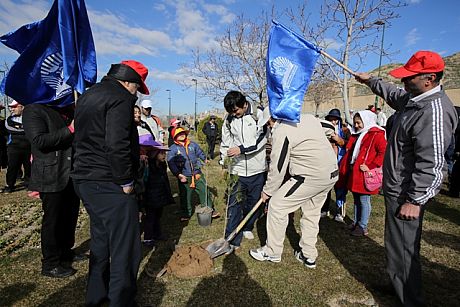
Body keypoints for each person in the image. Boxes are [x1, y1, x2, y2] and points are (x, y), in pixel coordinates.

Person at [355, 50, 458, 306]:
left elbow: (432, 164)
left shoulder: (432, 112)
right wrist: (370, 81)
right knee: (396, 246)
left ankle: (409, 299)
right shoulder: (415, 99)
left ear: (429, 79)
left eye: (410, 77)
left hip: (407, 194)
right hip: (396, 189)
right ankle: (396, 282)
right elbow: (394, 94)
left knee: (404, 249)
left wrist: (415, 200)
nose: (404, 82)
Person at [72, 60, 149, 306]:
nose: (136, 94)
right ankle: (121, 300)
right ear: (129, 82)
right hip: (110, 182)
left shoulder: (88, 94)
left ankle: (97, 296)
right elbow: (117, 143)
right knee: (126, 249)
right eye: (138, 88)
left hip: (85, 179)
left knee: (101, 243)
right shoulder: (121, 98)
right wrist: (126, 180)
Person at [249, 114, 338, 268]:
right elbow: (329, 127)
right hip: (331, 174)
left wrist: (268, 191)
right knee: (312, 213)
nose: (269, 128)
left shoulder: (281, 131)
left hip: (310, 176)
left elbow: (277, 167)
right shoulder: (307, 118)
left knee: (277, 206)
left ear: (272, 120)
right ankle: (308, 255)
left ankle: (272, 251)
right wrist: (332, 137)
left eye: (268, 125)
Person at [22, 103, 82, 278]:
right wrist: (70, 129)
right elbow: (40, 141)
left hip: (70, 173)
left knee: (70, 216)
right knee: (53, 220)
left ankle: (66, 252)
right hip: (51, 174)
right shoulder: (34, 110)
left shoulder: (68, 110)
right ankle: (50, 263)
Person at [220, 91, 269, 250]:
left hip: (257, 169)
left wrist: (242, 149)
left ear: (244, 104)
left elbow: (262, 140)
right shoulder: (229, 119)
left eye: (236, 111)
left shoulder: (259, 114)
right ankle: (232, 238)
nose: (234, 114)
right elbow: (226, 142)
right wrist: (224, 161)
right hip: (237, 170)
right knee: (234, 204)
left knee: (253, 202)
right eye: (231, 112)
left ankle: (248, 226)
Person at [336, 110, 386, 236]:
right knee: (356, 199)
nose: (356, 126)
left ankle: (362, 225)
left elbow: (383, 152)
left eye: (359, 123)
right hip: (355, 172)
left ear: (366, 121)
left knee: (364, 200)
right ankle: (356, 221)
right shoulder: (358, 134)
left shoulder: (376, 134)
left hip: (364, 173)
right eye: (355, 123)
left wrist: (370, 166)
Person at [167, 126, 220, 221]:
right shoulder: (173, 148)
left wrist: (204, 159)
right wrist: (178, 174)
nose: (182, 135)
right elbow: (171, 163)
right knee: (185, 195)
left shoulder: (192, 145)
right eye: (179, 134)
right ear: (175, 137)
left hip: (197, 173)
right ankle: (186, 213)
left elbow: (199, 152)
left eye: (183, 133)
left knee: (204, 190)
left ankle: (209, 209)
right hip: (184, 176)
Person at [141, 138, 174, 246]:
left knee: (158, 215)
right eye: (162, 153)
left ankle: (157, 233)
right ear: (155, 153)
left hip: (160, 194)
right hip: (150, 195)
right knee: (150, 217)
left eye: (164, 153)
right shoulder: (148, 165)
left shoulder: (162, 165)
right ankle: (148, 237)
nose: (164, 155)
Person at [320, 108, 351, 222]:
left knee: (340, 189)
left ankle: (339, 212)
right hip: (327, 163)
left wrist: (340, 140)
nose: (333, 122)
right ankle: (324, 209)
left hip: (340, 163)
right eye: (331, 120)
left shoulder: (345, 130)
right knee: (326, 188)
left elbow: (350, 145)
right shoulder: (322, 129)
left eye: (335, 120)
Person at [1, 100, 31, 193]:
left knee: (29, 166)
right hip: (14, 148)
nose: (11, 109)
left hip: (29, 147)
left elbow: (32, 129)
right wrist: (24, 128)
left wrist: (20, 128)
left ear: (21, 107)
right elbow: (10, 128)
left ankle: (29, 183)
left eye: (14, 107)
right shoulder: (9, 119)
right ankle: (9, 185)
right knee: (12, 167)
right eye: (11, 107)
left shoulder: (30, 118)